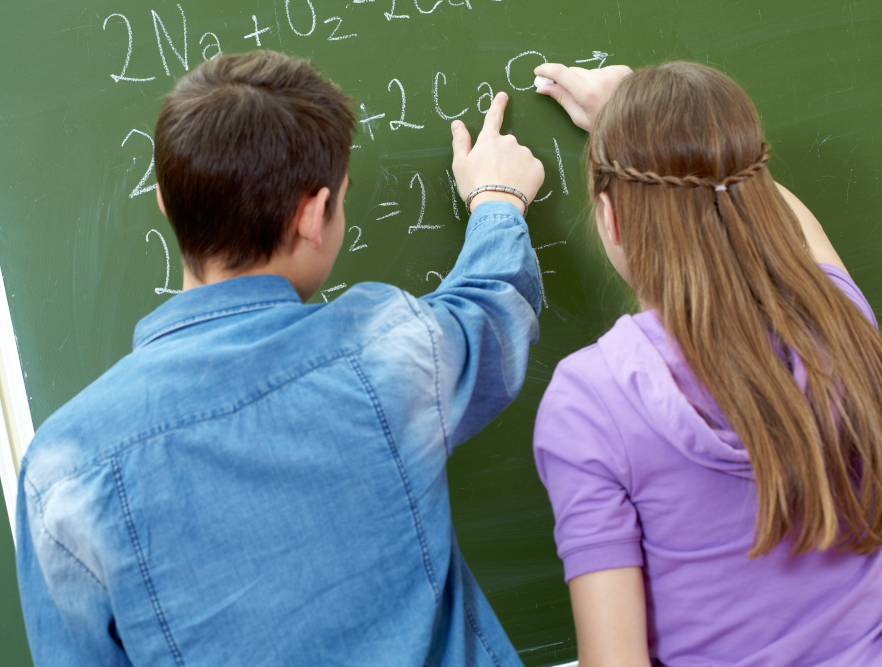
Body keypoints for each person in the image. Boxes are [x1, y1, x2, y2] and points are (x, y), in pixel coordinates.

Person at [16, 50, 544, 666]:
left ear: (165, 204)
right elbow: (496, 306)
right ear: (315, 216)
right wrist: (498, 200)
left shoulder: (62, 472)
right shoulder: (384, 351)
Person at [531, 61, 882, 666]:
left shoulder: (592, 401)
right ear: (753, 197)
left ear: (609, 218)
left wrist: (641, 132)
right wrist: (672, 130)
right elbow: (795, 228)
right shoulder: (841, 328)